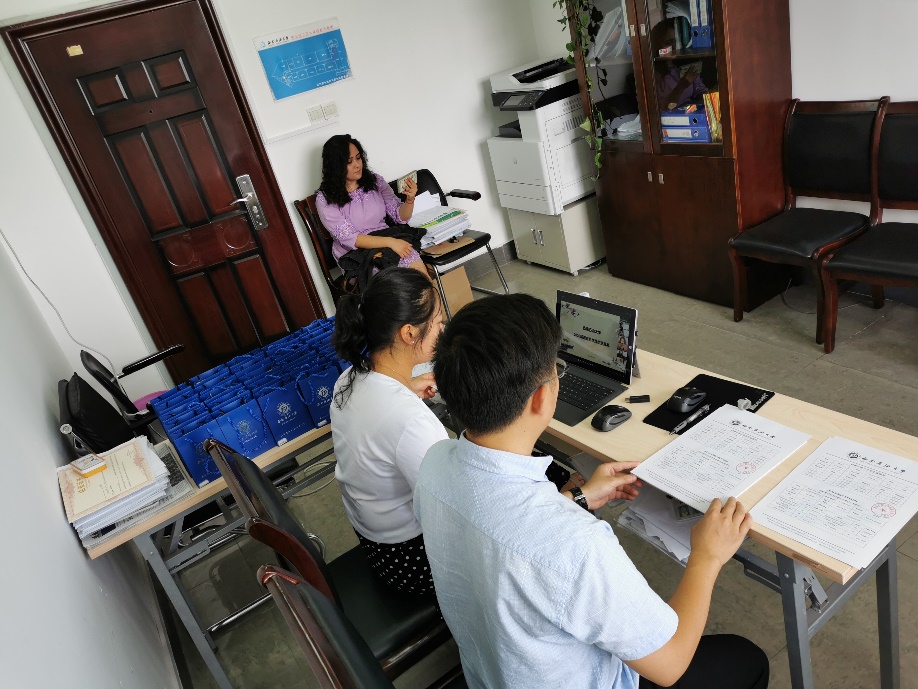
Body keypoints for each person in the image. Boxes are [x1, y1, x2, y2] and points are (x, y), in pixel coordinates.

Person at [415, 293, 769, 689]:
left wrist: (578, 499)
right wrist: (707, 556)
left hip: (489, 674)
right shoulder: (575, 544)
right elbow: (670, 665)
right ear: (542, 397)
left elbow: (498, 527)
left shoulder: (434, 464)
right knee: (747, 659)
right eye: (556, 370)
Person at [329, 267, 445, 596]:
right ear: (409, 333)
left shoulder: (349, 378)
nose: (443, 330)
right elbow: (452, 514)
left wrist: (406, 388)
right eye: (438, 323)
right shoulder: (411, 421)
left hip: (375, 544)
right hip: (412, 562)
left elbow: (382, 414)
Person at [316, 134, 427, 274]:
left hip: (388, 238)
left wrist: (410, 200)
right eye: (349, 161)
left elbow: (400, 216)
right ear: (335, 166)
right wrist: (390, 243)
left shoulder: (375, 181)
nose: (357, 165)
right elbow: (351, 239)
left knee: (419, 272)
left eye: (358, 158)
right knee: (392, 278)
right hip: (356, 253)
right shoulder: (325, 199)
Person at [651, 18, 708, 110]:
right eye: (668, 43)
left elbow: (700, 91)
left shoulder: (682, 66)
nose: (674, 46)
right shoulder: (655, 76)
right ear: (658, 46)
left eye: (675, 41)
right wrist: (681, 86)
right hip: (672, 116)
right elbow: (664, 107)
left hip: (692, 113)